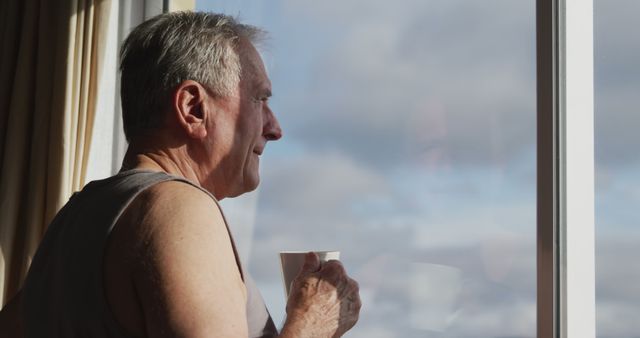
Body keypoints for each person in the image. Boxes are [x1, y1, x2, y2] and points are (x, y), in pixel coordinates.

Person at [0, 11, 361, 338]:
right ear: (193, 108)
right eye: (259, 99)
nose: (274, 128)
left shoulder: (74, 219)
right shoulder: (180, 208)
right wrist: (312, 324)